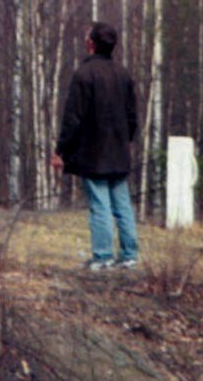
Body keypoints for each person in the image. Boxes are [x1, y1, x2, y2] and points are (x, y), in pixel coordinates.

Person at [52, 21, 140, 272]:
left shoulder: (84, 75)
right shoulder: (123, 74)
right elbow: (133, 115)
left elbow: (73, 119)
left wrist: (61, 151)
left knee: (100, 204)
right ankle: (130, 255)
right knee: (122, 204)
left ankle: (102, 257)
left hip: (93, 153)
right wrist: (128, 141)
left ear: (91, 43)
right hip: (119, 150)